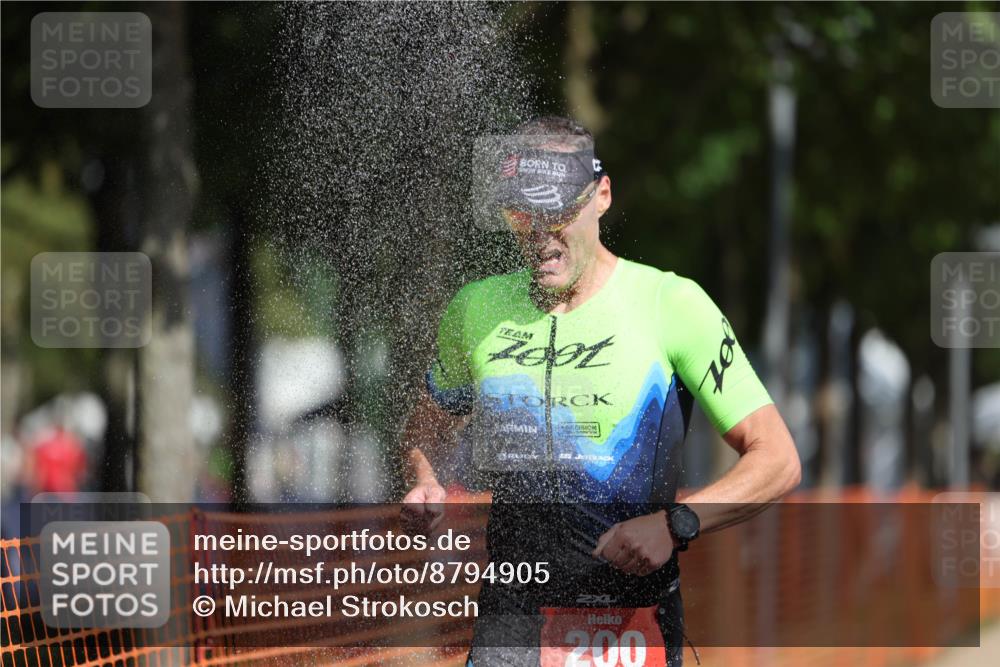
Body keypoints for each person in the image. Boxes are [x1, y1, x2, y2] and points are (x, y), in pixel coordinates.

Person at [402, 116, 801, 666]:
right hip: (510, 626)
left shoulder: (671, 303)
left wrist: (675, 524)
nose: (539, 233)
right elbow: (427, 425)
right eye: (522, 213)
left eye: (557, 213)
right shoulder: (476, 308)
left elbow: (778, 458)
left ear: (602, 196)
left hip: (627, 626)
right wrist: (425, 480)